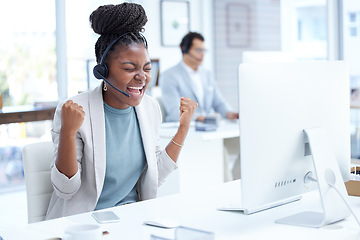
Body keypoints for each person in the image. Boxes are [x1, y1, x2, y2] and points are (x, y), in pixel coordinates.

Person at [45, 3, 197, 220]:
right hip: (85, 222)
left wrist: (183, 128)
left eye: (146, 68)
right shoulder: (74, 110)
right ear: (102, 71)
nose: (142, 76)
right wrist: (68, 134)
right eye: (129, 68)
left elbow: (154, 177)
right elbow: (66, 189)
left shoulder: (150, 107)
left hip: (132, 219)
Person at [159, 32, 238, 122]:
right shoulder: (169, 76)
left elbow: (219, 103)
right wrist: (201, 118)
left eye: (204, 50)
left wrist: (231, 113)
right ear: (185, 49)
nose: (203, 54)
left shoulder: (207, 74)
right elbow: (174, 111)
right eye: (198, 50)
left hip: (207, 127)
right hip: (183, 128)